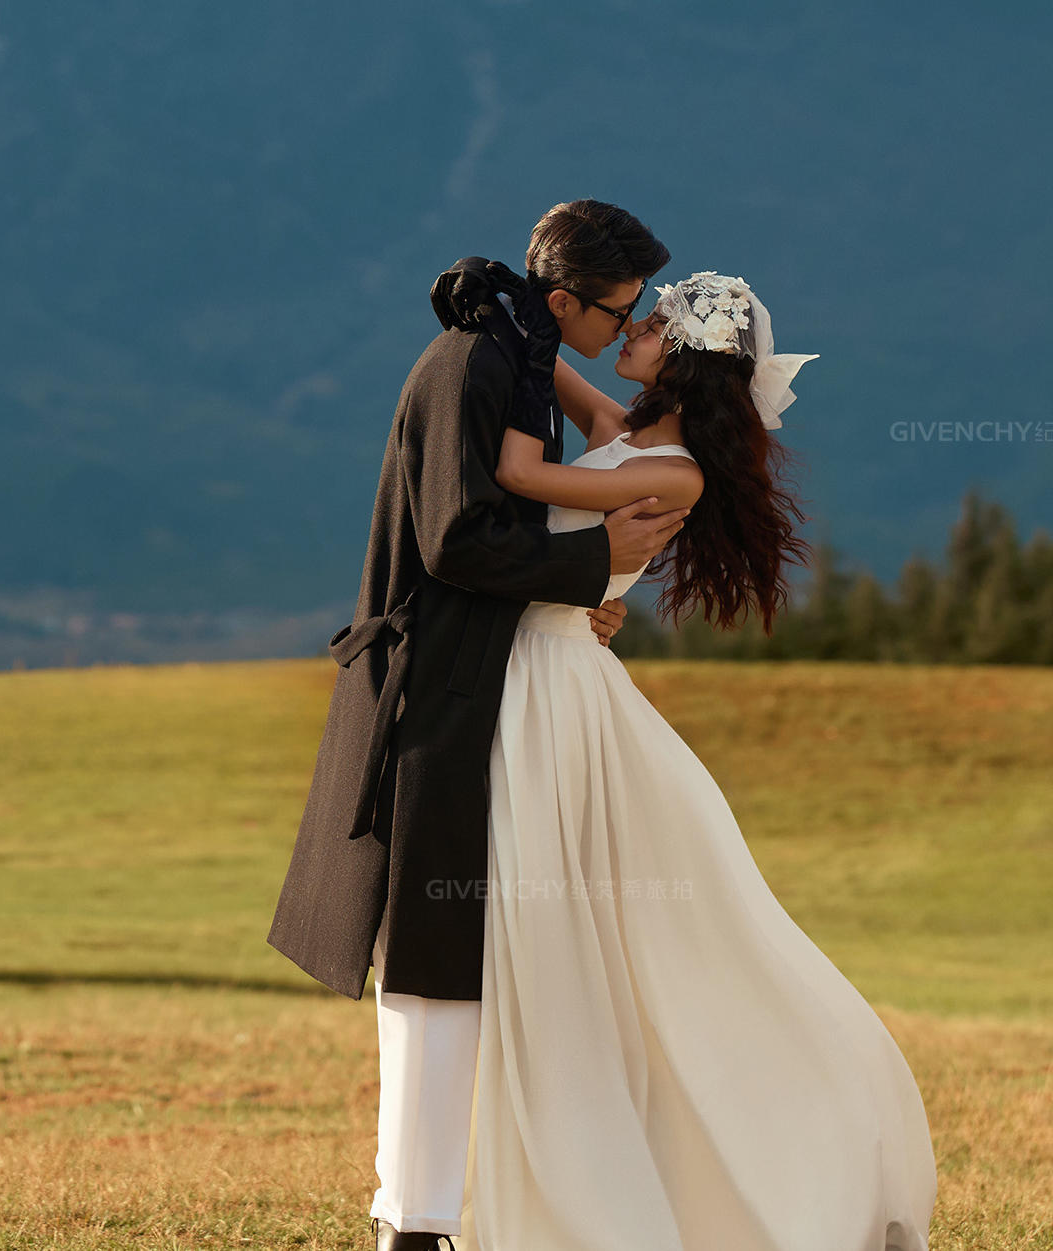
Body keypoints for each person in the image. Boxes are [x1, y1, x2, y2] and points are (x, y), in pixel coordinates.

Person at [447, 266, 939, 1249]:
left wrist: (489, 378)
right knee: (561, 938)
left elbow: (515, 475)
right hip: (535, 677)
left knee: (625, 942)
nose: (626, 328)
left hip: (558, 697)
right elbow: (559, 388)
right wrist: (520, 328)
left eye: (647, 322)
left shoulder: (670, 470)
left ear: (679, 359)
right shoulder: (627, 439)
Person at [262, 200, 687, 1251]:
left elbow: (514, 514)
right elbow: (455, 538)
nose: (620, 329)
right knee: (428, 964)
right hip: (435, 696)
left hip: (469, 688)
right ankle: (412, 1221)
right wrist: (590, 564)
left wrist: (582, 582)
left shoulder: (515, 352)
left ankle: (440, 1209)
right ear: (561, 300)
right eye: (616, 311)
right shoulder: (473, 368)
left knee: (454, 957)